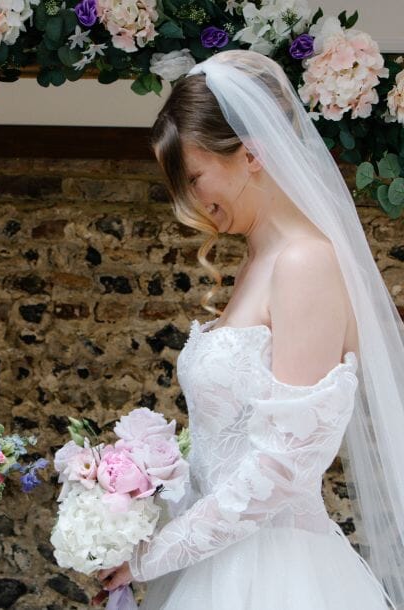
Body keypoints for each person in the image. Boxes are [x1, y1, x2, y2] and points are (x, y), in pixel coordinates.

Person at [97, 50, 404, 609]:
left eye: (194, 178)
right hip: (217, 561)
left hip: (275, 574)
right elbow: (227, 444)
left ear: (251, 154)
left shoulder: (305, 263)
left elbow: (284, 463)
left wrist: (151, 557)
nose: (189, 201)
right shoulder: (256, 263)